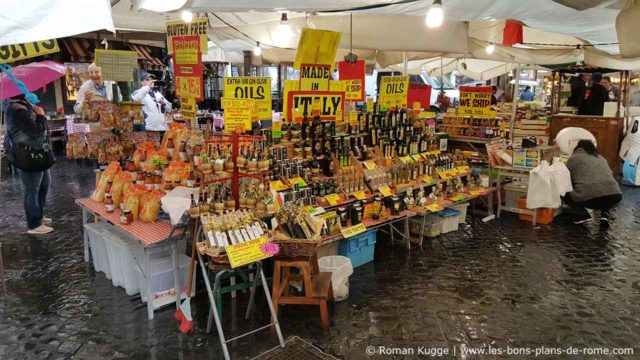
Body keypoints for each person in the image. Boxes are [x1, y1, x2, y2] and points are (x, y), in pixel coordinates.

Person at [4, 95, 54, 234]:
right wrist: (41, 116)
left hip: (38, 152)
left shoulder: (25, 104)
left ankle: (39, 215)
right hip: (28, 155)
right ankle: (33, 224)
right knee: (32, 188)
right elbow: (36, 130)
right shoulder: (17, 109)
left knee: (44, 183)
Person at [564, 140, 622, 226]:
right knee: (603, 187)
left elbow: (566, 177)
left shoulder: (573, 159)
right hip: (615, 196)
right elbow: (611, 173)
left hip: (591, 199)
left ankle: (582, 214)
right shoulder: (601, 158)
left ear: (577, 148)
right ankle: (604, 215)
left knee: (563, 188)